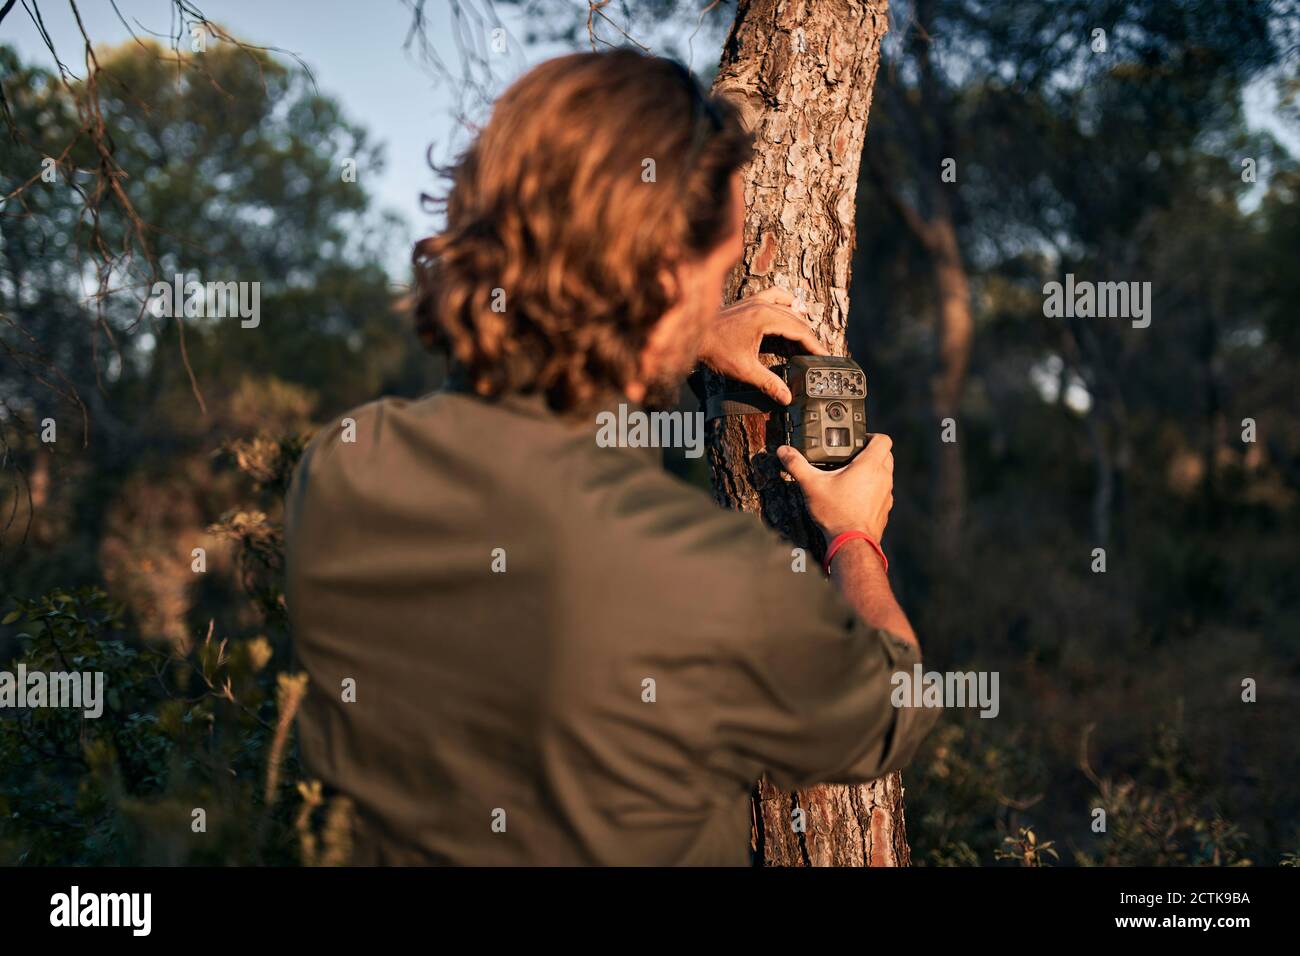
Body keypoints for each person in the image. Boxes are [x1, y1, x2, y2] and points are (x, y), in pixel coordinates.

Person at [284, 49, 939, 865]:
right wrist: (852, 540)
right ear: (665, 280)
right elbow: (892, 711)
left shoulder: (343, 468)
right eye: (715, 270)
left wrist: (675, 336)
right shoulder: (698, 573)